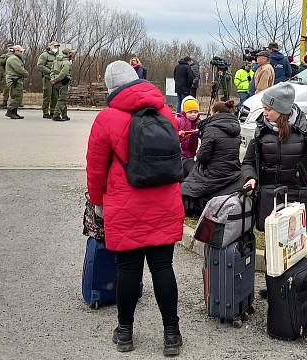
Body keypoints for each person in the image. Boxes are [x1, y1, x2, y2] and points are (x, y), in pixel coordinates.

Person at [86, 60, 184, 356]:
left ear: (110, 87)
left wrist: (98, 203)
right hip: (165, 202)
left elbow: (95, 168)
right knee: (163, 268)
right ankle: (172, 335)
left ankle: (125, 333)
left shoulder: (107, 118)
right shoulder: (165, 111)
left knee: (127, 270)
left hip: (126, 205)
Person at [241, 82, 307, 227]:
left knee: (295, 241)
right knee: (272, 242)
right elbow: (248, 161)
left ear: (281, 110)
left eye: (268, 109)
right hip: (269, 193)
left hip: (298, 193)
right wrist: (250, 178)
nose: (264, 113)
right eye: (264, 108)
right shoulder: (261, 128)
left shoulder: (306, 126)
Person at [181, 100, 243, 215]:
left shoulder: (211, 129)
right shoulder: (236, 129)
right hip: (231, 171)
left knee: (188, 180)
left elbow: (202, 158)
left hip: (213, 173)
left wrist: (199, 151)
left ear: (216, 113)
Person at [177, 96, 201, 177]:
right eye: (190, 112)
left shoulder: (198, 123)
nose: (193, 114)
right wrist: (178, 134)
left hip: (192, 153)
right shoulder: (179, 121)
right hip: (181, 154)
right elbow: (170, 134)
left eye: (195, 112)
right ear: (184, 112)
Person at [49, 46, 74, 122]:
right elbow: (63, 73)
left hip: (55, 82)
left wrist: (53, 79)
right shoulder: (67, 63)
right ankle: (56, 115)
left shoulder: (56, 61)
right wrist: (57, 79)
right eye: (71, 53)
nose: (72, 55)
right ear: (68, 54)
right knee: (62, 99)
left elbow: (52, 71)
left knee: (60, 99)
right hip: (63, 82)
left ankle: (64, 115)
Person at [4, 45, 29, 120]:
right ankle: (10, 111)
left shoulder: (15, 58)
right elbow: (19, 69)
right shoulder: (13, 59)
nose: (22, 53)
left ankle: (14, 112)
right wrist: (26, 73)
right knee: (16, 96)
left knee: (17, 96)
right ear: (16, 51)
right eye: (20, 51)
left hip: (17, 79)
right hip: (14, 80)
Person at [36, 41, 59, 119]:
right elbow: (40, 65)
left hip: (56, 79)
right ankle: (45, 112)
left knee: (55, 96)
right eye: (55, 46)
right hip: (47, 78)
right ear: (50, 46)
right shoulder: (44, 55)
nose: (56, 48)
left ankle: (53, 111)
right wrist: (50, 71)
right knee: (47, 95)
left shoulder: (58, 56)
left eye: (57, 46)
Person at [0, 42, 14, 109]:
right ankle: (4, 102)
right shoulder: (4, 55)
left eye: (11, 47)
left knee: (16, 89)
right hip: (7, 73)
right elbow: (1, 63)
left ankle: (16, 102)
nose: (10, 49)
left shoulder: (16, 55)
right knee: (6, 88)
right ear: (7, 48)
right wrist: (7, 56)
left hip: (15, 73)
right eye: (9, 47)